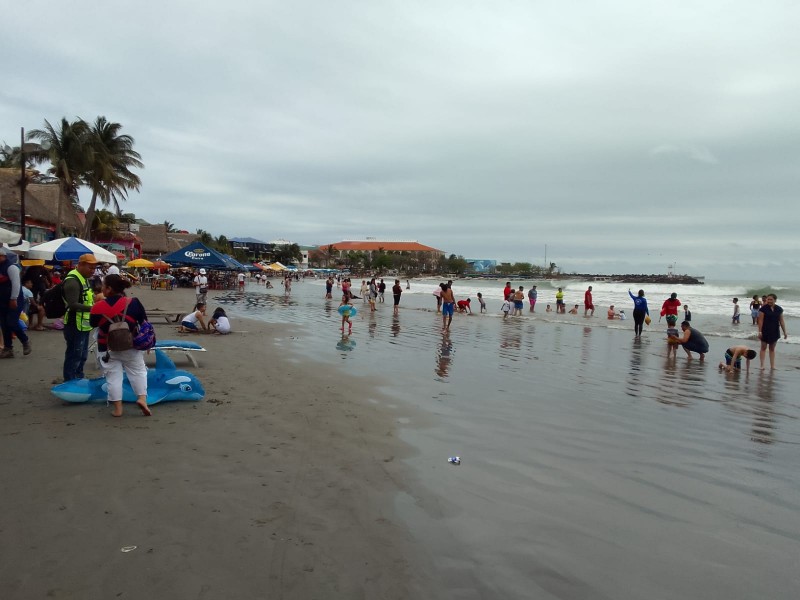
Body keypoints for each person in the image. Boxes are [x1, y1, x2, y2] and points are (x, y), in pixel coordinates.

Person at [89, 274, 151, 417]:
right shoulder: (134, 302)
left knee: (113, 377)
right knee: (138, 372)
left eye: (104, 285)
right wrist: (147, 343)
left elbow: (93, 324)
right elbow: (144, 322)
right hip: (131, 345)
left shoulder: (98, 307)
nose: (102, 288)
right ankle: (142, 399)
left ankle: (118, 409)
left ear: (109, 289)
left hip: (107, 348)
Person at [62, 254, 98, 379]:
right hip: (74, 325)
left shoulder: (84, 278)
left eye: (94, 268)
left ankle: (79, 377)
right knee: (74, 354)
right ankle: (70, 380)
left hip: (84, 324)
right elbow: (72, 304)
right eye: (90, 267)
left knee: (82, 355)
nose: (92, 270)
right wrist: (94, 309)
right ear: (81, 265)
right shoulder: (73, 281)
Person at [0, 247, 31, 358]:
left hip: (14, 299)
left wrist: (13, 298)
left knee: (11, 322)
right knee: (4, 324)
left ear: (2, 256)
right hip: (2, 300)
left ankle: (25, 341)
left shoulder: (11, 267)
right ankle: (8, 349)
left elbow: (16, 284)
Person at [758, 293, 788, 370]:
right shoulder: (763, 309)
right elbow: (760, 321)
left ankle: (772, 366)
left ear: (775, 300)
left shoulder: (779, 309)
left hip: (775, 330)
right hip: (765, 330)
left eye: (771, 299)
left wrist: (784, 332)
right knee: (763, 348)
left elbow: (781, 321)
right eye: (768, 299)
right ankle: (762, 365)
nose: (769, 301)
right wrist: (760, 331)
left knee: (772, 349)